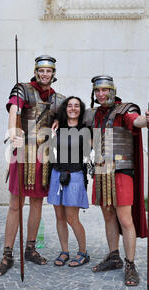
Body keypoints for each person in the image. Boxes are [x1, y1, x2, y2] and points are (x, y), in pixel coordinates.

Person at [0, 55, 66, 276]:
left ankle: (30, 248)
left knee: (37, 204)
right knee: (15, 204)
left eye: (49, 71)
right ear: (36, 71)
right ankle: (7, 254)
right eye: (41, 70)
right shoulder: (22, 89)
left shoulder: (58, 99)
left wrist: (59, 120)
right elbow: (14, 110)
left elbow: (71, 115)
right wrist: (13, 132)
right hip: (23, 152)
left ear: (54, 74)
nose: (45, 74)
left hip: (43, 156)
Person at [83, 75, 149, 286]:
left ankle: (130, 264)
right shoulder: (92, 115)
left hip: (121, 170)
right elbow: (83, 132)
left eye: (105, 90)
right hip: (100, 170)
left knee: (125, 219)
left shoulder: (125, 110)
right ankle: (114, 256)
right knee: (108, 216)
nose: (101, 94)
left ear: (112, 91)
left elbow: (136, 121)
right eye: (97, 91)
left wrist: (148, 120)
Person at [47, 96, 91, 267]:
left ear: (81, 109)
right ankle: (64, 251)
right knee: (59, 217)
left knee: (72, 218)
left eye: (77, 106)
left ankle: (83, 252)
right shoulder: (57, 128)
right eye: (70, 105)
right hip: (57, 174)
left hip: (75, 175)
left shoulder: (85, 129)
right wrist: (57, 119)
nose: (73, 108)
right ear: (65, 108)